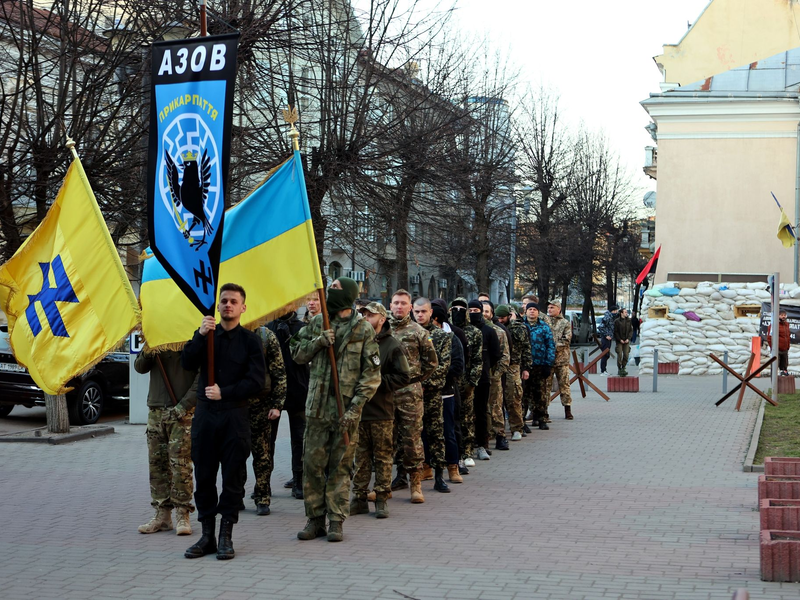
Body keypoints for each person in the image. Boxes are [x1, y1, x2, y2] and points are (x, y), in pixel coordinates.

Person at [290, 277, 381, 542]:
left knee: (340, 468)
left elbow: (371, 375)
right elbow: (296, 352)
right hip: (317, 409)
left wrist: (354, 409)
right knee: (312, 467)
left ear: (349, 295)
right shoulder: (319, 322)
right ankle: (315, 519)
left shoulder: (363, 329)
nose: (330, 292)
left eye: (336, 289)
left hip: (346, 412)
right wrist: (319, 341)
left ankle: (336, 520)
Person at [182, 283, 266, 560]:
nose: (228, 305)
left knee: (232, 478)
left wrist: (225, 392)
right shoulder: (206, 336)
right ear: (217, 306)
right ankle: (206, 536)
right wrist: (200, 335)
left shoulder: (250, 341)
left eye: (233, 301)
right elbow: (186, 363)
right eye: (224, 301)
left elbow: (256, 382)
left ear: (243, 307)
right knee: (204, 476)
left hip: (234, 415)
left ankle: (225, 537)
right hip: (206, 417)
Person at [352, 302, 411, 518]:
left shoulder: (392, 345)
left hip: (381, 412)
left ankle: (381, 499)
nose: (365, 317)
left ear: (382, 319)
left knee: (383, 457)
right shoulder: (356, 342)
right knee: (360, 458)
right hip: (359, 411)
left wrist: (376, 382)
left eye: (370, 315)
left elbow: (404, 376)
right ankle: (358, 498)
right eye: (363, 314)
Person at [136, 348, 198, 536]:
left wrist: (184, 406)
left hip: (181, 412)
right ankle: (162, 515)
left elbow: (202, 379)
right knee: (157, 465)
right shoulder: (155, 339)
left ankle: (182, 514)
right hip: (155, 410)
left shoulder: (191, 340)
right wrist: (147, 351)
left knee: (181, 465)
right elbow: (139, 367)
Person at [389, 290, 438, 503]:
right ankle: (383, 486)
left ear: (410, 307)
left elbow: (431, 363)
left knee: (412, 440)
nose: (399, 307)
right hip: (385, 393)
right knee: (385, 441)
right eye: (396, 303)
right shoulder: (380, 331)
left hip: (410, 394)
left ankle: (415, 485)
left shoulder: (418, 331)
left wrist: (413, 378)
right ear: (390, 305)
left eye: (403, 303)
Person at [268, 310, 310, 501]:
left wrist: (290, 339)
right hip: (272, 392)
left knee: (299, 439)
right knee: (267, 440)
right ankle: (263, 484)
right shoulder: (267, 327)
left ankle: (298, 481)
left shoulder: (302, 328)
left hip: (298, 388)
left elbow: (305, 356)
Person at [245, 325, 286, 515]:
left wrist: (277, 404)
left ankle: (262, 497)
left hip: (261, 404)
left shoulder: (265, 336)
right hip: (235, 404)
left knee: (262, 454)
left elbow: (279, 372)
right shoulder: (227, 333)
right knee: (234, 454)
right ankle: (235, 496)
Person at [449, 298, 482, 470]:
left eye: (462, 309)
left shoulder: (474, 332)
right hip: (450, 381)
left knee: (467, 417)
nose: (458, 311)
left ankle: (467, 451)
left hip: (466, 381)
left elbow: (477, 360)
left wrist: (472, 382)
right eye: (455, 308)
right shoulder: (446, 330)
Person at [470, 299, 501, 460]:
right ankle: (468, 445)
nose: (473, 314)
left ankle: (483, 443)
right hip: (465, 380)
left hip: (483, 377)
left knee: (481, 412)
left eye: (477, 311)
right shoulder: (463, 330)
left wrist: (486, 366)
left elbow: (496, 354)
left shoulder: (488, 331)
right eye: (471, 310)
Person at [495, 305, 531, 440]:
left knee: (513, 397)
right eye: (498, 317)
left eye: (502, 318)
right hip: (498, 366)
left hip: (513, 366)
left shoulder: (518, 329)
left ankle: (517, 427)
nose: (500, 320)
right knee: (497, 400)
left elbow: (526, 348)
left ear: (509, 316)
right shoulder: (495, 328)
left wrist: (526, 368)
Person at [522, 303, 555, 431]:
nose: (532, 312)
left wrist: (548, 364)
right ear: (526, 311)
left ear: (538, 312)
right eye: (529, 309)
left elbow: (550, 346)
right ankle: (522, 420)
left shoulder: (544, 327)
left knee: (540, 394)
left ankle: (541, 418)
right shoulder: (521, 326)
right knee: (524, 394)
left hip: (539, 364)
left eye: (534, 309)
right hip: (525, 366)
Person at [483, 301, 510, 451]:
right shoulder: (474, 330)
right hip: (479, 377)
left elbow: (505, 356)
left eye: (487, 311)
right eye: (482, 311)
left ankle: (500, 436)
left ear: (492, 314)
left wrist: (496, 374)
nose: (484, 314)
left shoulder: (499, 331)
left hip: (493, 376)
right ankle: (484, 437)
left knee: (496, 407)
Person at [543, 300, 574, 420]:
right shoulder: (544, 322)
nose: (550, 309)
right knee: (546, 386)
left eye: (552, 307)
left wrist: (552, 347)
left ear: (559, 309)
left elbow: (566, 339)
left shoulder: (565, 323)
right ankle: (543, 409)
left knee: (564, 385)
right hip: (548, 360)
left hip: (562, 360)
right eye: (549, 307)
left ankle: (567, 408)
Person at [768, 310, 792, 376]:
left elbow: (788, 336)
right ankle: (774, 383)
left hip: (785, 349)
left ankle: (783, 380)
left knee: (784, 365)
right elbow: (770, 337)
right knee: (775, 365)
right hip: (777, 349)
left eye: (784, 315)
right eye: (781, 315)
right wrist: (773, 347)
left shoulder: (787, 325)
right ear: (778, 316)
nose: (783, 317)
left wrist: (788, 346)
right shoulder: (774, 325)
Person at [598, 304, 619, 376]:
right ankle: (602, 370)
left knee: (607, 355)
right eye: (615, 311)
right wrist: (606, 335)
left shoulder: (611, 317)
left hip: (609, 338)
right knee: (605, 354)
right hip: (606, 339)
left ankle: (604, 370)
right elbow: (601, 327)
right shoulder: (607, 317)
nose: (616, 312)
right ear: (612, 311)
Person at [614, 308, 633, 377]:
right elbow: (615, 332)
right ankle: (619, 368)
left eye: (626, 312)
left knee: (626, 355)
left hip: (626, 340)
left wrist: (628, 338)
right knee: (619, 355)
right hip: (620, 341)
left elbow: (631, 330)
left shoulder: (629, 320)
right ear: (621, 313)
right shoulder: (617, 321)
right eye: (625, 312)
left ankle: (623, 367)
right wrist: (619, 339)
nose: (626, 313)